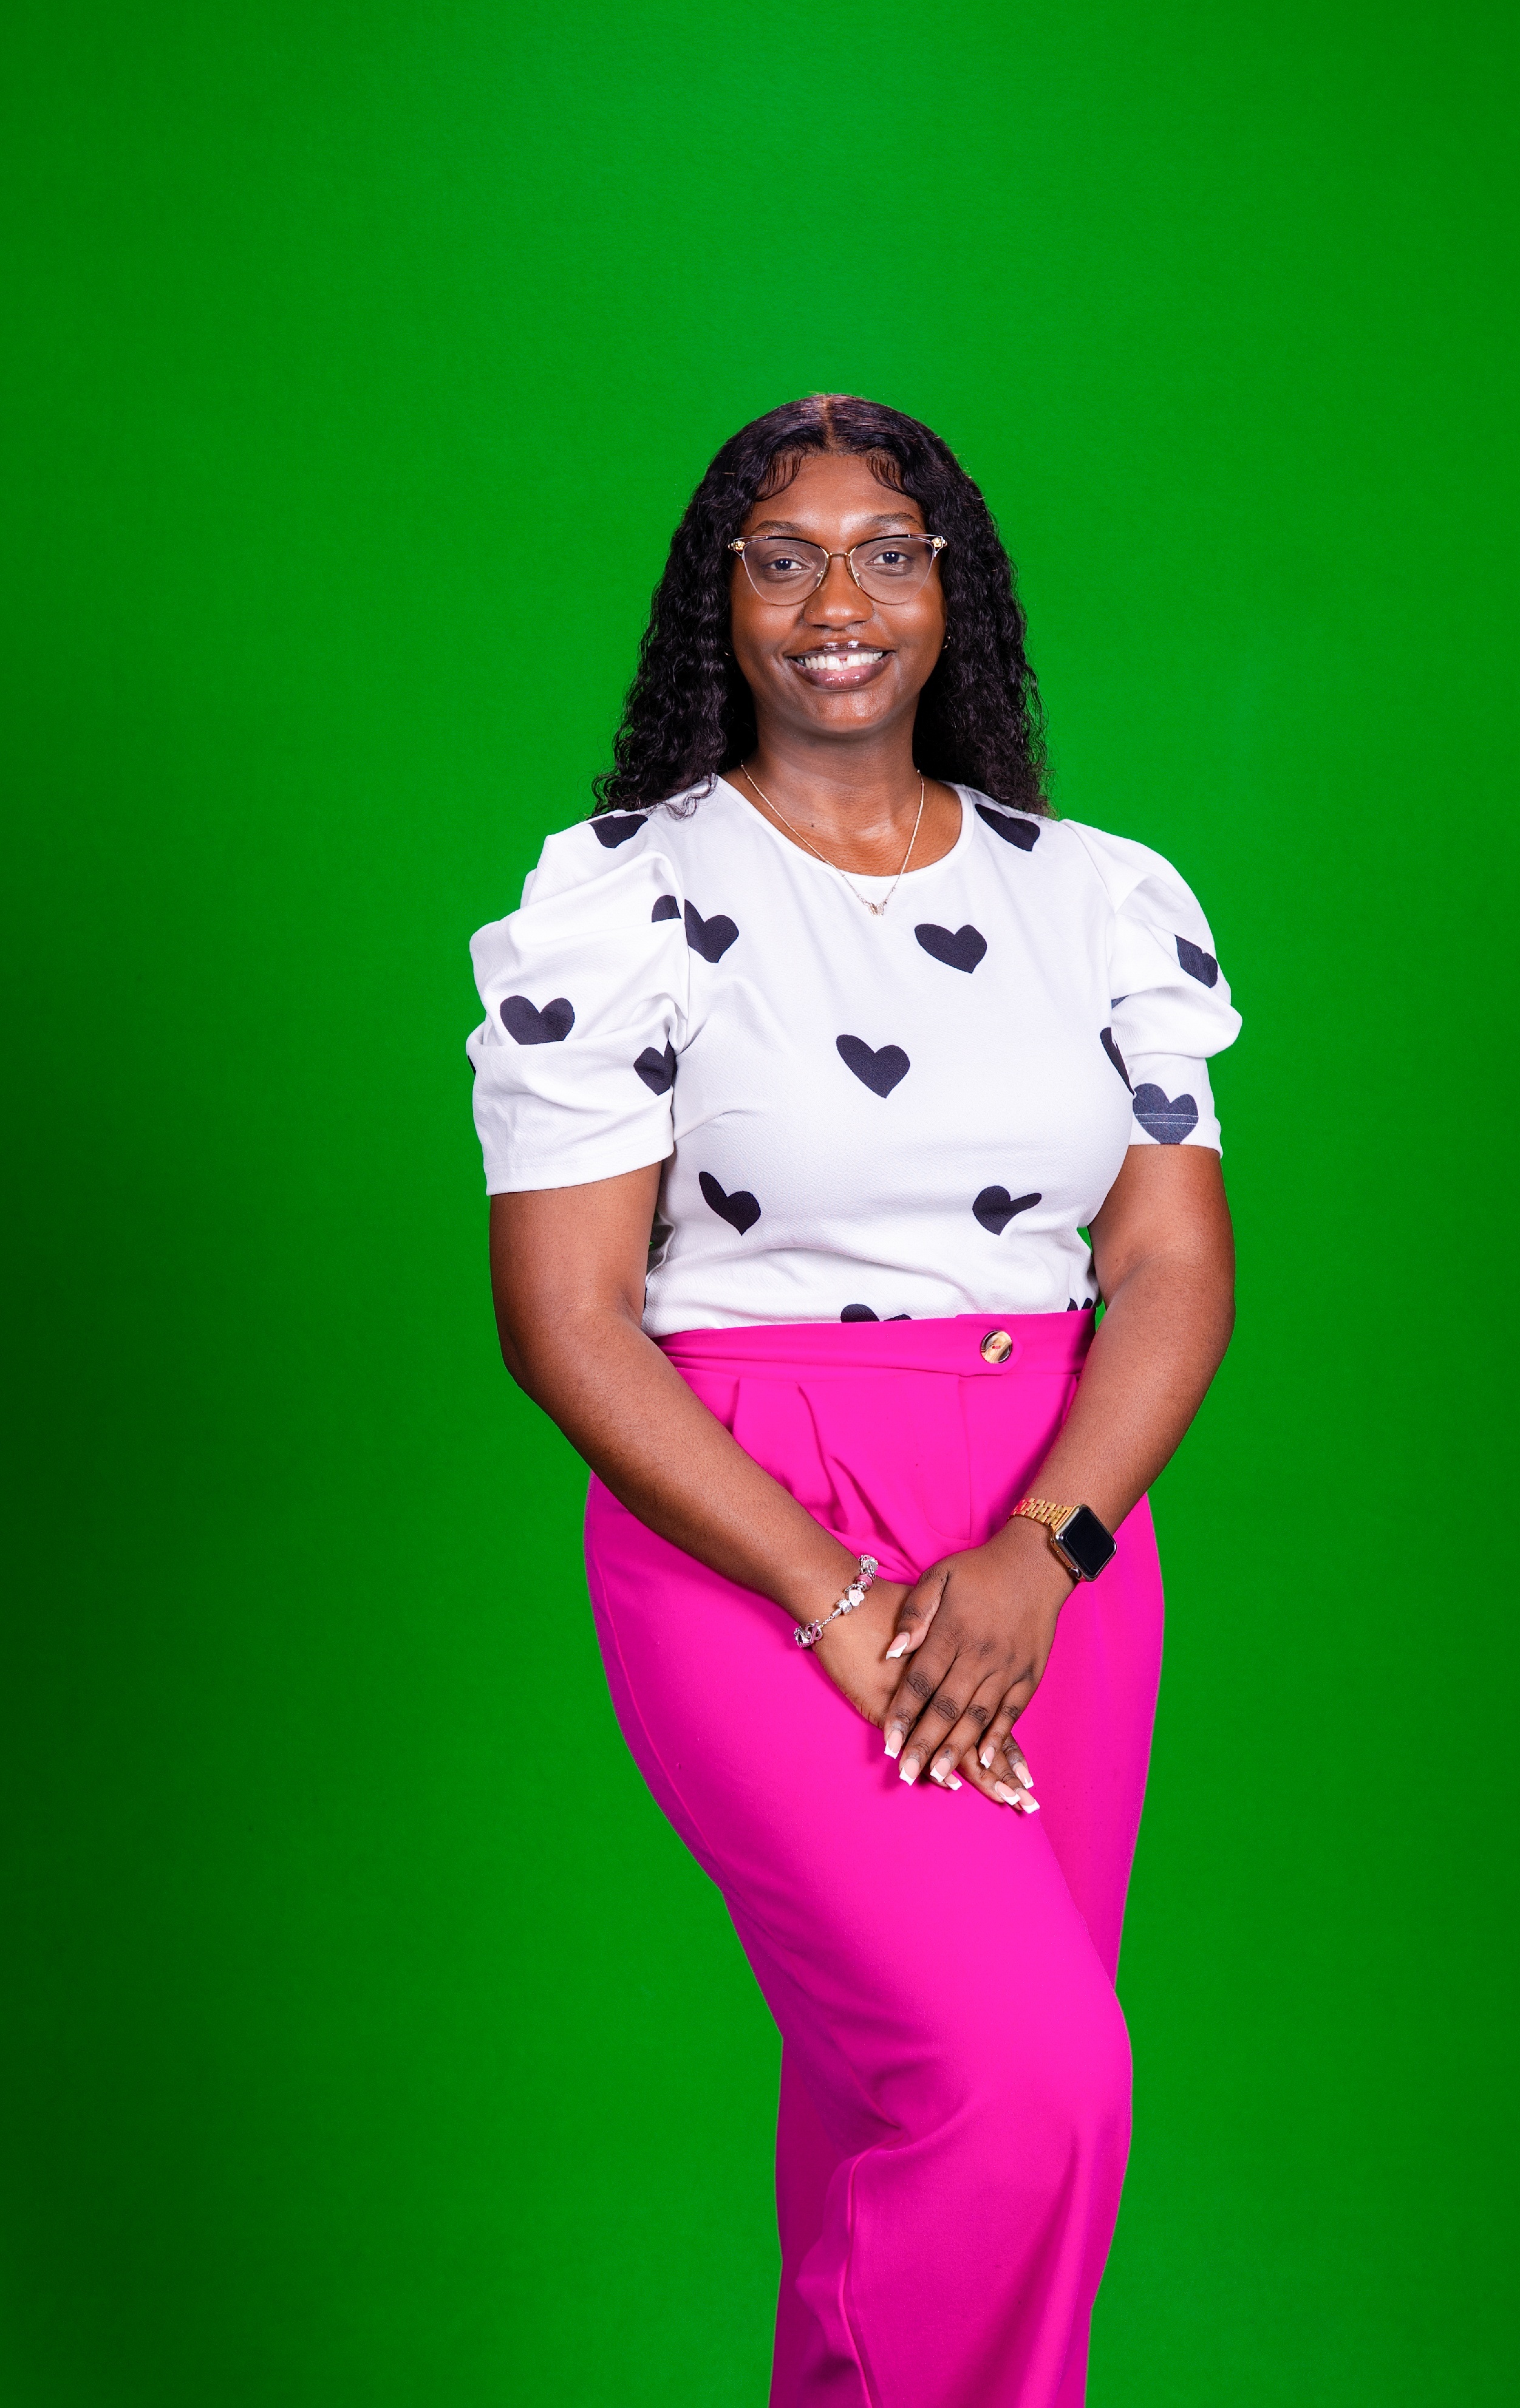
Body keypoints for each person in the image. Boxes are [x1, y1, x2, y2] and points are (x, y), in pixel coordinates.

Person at [468, 394, 1239, 2408]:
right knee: (1024, 2075)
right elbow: (565, 1321)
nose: (840, 602)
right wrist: (834, 1594)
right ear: (717, 600)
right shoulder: (618, 901)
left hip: (1054, 1521)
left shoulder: (1101, 897)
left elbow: (1170, 1270)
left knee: (900, 2102)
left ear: (951, 593)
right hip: (745, 1517)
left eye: (890, 554)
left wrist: (1045, 1552)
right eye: (785, 557)